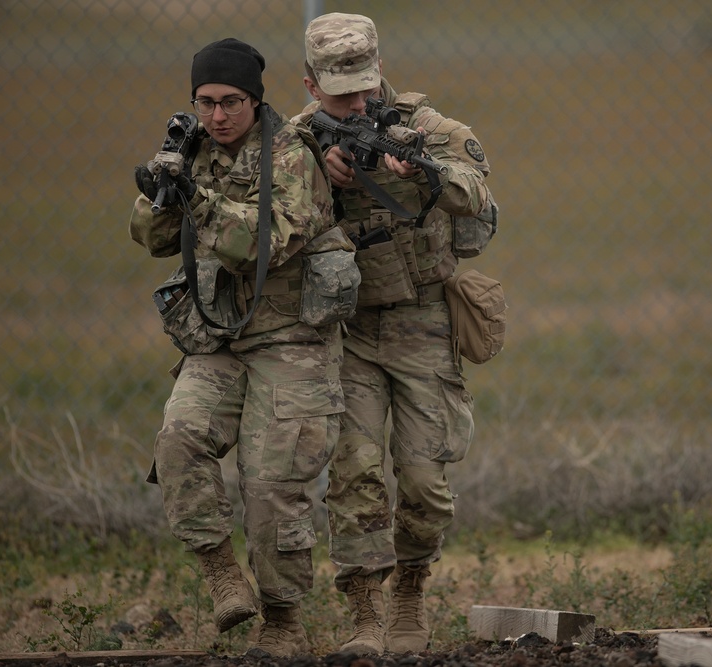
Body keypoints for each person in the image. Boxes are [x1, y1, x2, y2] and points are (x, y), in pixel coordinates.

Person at [130, 37, 354, 658]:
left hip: (291, 339)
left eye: (231, 102)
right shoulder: (193, 149)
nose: (218, 116)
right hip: (220, 340)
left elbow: (260, 245)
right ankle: (220, 573)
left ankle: (282, 619)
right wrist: (162, 189)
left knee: (273, 485)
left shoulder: (290, 154)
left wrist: (196, 200)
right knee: (179, 438)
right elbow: (149, 237)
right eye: (205, 102)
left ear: (255, 101)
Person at [293, 12, 495, 655]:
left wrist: (419, 176)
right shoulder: (293, 142)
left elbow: (478, 194)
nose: (355, 103)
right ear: (310, 84)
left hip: (422, 320)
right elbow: (260, 210)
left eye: (364, 87)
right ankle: (366, 617)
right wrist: (318, 175)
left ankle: (411, 585)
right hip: (344, 328)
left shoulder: (430, 132)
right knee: (354, 473)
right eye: (339, 92)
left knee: (425, 482)